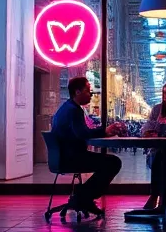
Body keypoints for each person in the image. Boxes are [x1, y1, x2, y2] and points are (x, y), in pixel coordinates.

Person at [50, 77, 124, 213]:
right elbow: (82, 134)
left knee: (109, 162)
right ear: (77, 92)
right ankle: (83, 196)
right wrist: (105, 131)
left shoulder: (66, 108)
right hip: (72, 158)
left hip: (63, 157)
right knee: (113, 162)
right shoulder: (74, 110)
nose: (91, 94)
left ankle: (82, 196)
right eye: (88, 91)